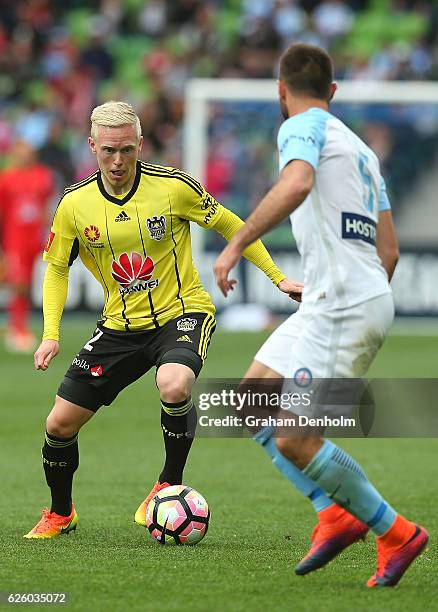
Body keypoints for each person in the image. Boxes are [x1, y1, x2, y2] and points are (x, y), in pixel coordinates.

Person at [24, 100, 300, 539]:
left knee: (174, 383)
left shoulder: (173, 188)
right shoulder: (74, 205)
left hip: (181, 311)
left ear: (140, 145)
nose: (118, 161)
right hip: (118, 326)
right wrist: (50, 335)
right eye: (108, 151)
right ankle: (61, 513)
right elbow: (57, 267)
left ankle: (167, 483)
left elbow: (232, 225)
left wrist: (278, 278)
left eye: (127, 150)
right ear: (92, 146)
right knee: (58, 424)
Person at [214, 43, 428, 588]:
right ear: (333, 91)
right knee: (248, 403)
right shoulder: (362, 150)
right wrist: (346, 286)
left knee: (293, 436)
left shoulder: (299, 125)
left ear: (281, 91)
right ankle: (332, 512)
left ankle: (395, 531)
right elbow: (391, 253)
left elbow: (298, 182)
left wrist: (236, 242)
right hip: (343, 298)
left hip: (341, 305)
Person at [0, 139, 54, 352]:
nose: (26, 155)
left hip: (35, 238)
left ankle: (20, 326)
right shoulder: (7, 178)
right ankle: (17, 328)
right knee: (19, 283)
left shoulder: (42, 175)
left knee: (29, 283)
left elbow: (46, 207)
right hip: (15, 239)